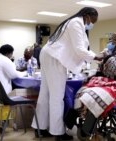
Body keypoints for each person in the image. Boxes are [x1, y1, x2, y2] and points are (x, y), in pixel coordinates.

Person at [31, 7, 101, 140]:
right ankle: (58, 133)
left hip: (48, 54)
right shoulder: (76, 23)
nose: (91, 24)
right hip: (55, 58)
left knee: (45, 94)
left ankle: (40, 128)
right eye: (92, 20)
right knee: (57, 97)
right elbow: (79, 49)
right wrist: (96, 57)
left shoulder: (74, 22)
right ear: (87, 15)